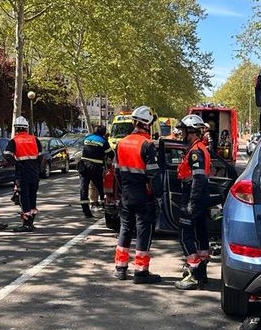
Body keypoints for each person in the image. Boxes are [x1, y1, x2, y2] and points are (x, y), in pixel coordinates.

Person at [113, 105, 162, 284]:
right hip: (143, 195)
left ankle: (121, 268)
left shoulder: (121, 143)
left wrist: (122, 190)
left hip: (126, 194)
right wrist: (158, 195)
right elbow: (153, 174)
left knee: (125, 229)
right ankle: (141, 272)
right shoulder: (147, 145)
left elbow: (117, 172)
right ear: (147, 124)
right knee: (143, 231)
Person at [174, 114, 213, 290]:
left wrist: (191, 203)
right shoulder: (199, 148)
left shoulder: (196, 152)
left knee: (185, 235)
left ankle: (194, 273)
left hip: (193, 197)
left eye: (183, 131)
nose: (181, 134)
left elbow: (198, 180)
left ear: (191, 131)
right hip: (199, 198)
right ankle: (201, 272)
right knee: (200, 234)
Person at [3, 116, 42, 232]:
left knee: (23, 198)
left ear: (16, 128)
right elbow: (41, 156)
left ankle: (26, 223)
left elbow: (7, 154)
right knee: (32, 196)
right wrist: (36, 167)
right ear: (26, 128)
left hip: (22, 174)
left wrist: (16, 164)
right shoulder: (35, 139)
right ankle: (31, 221)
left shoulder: (14, 141)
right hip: (34, 173)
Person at [78, 125, 113, 218]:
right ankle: (105, 208)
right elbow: (111, 154)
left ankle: (86, 211)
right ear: (104, 133)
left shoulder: (87, 138)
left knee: (83, 189)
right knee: (101, 188)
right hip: (96, 168)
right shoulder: (103, 141)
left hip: (84, 167)